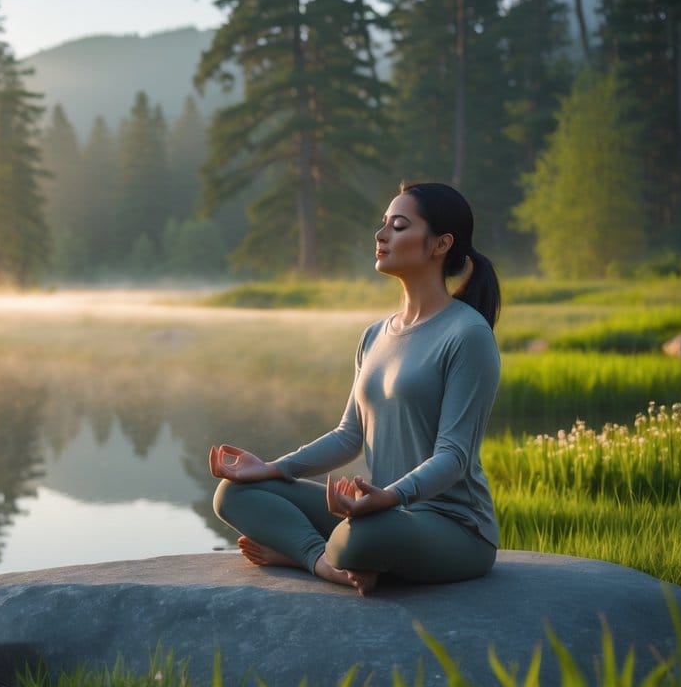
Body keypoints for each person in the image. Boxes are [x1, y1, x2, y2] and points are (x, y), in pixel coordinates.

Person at [209, 181, 502, 595]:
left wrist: (389, 497)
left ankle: (308, 553)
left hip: (453, 527)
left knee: (364, 538)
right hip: (381, 514)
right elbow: (349, 435)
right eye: (383, 224)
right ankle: (322, 561)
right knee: (234, 494)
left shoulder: (467, 335)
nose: (381, 236)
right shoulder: (375, 335)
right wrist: (274, 468)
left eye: (398, 227)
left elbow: (454, 455)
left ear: (440, 244)